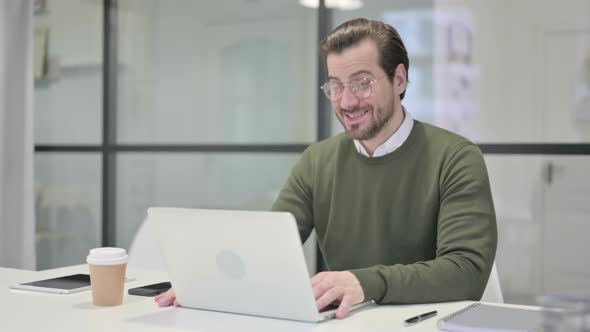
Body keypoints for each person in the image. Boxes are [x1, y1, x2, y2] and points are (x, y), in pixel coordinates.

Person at [155, 18, 497, 320]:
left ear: (400, 79)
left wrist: (364, 282)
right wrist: (207, 285)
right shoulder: (317, 161)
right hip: (347, 323)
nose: (347, 101)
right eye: (336, 86)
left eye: (362, 83)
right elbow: (269, 250)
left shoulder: (455, 157)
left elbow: (466, 271)